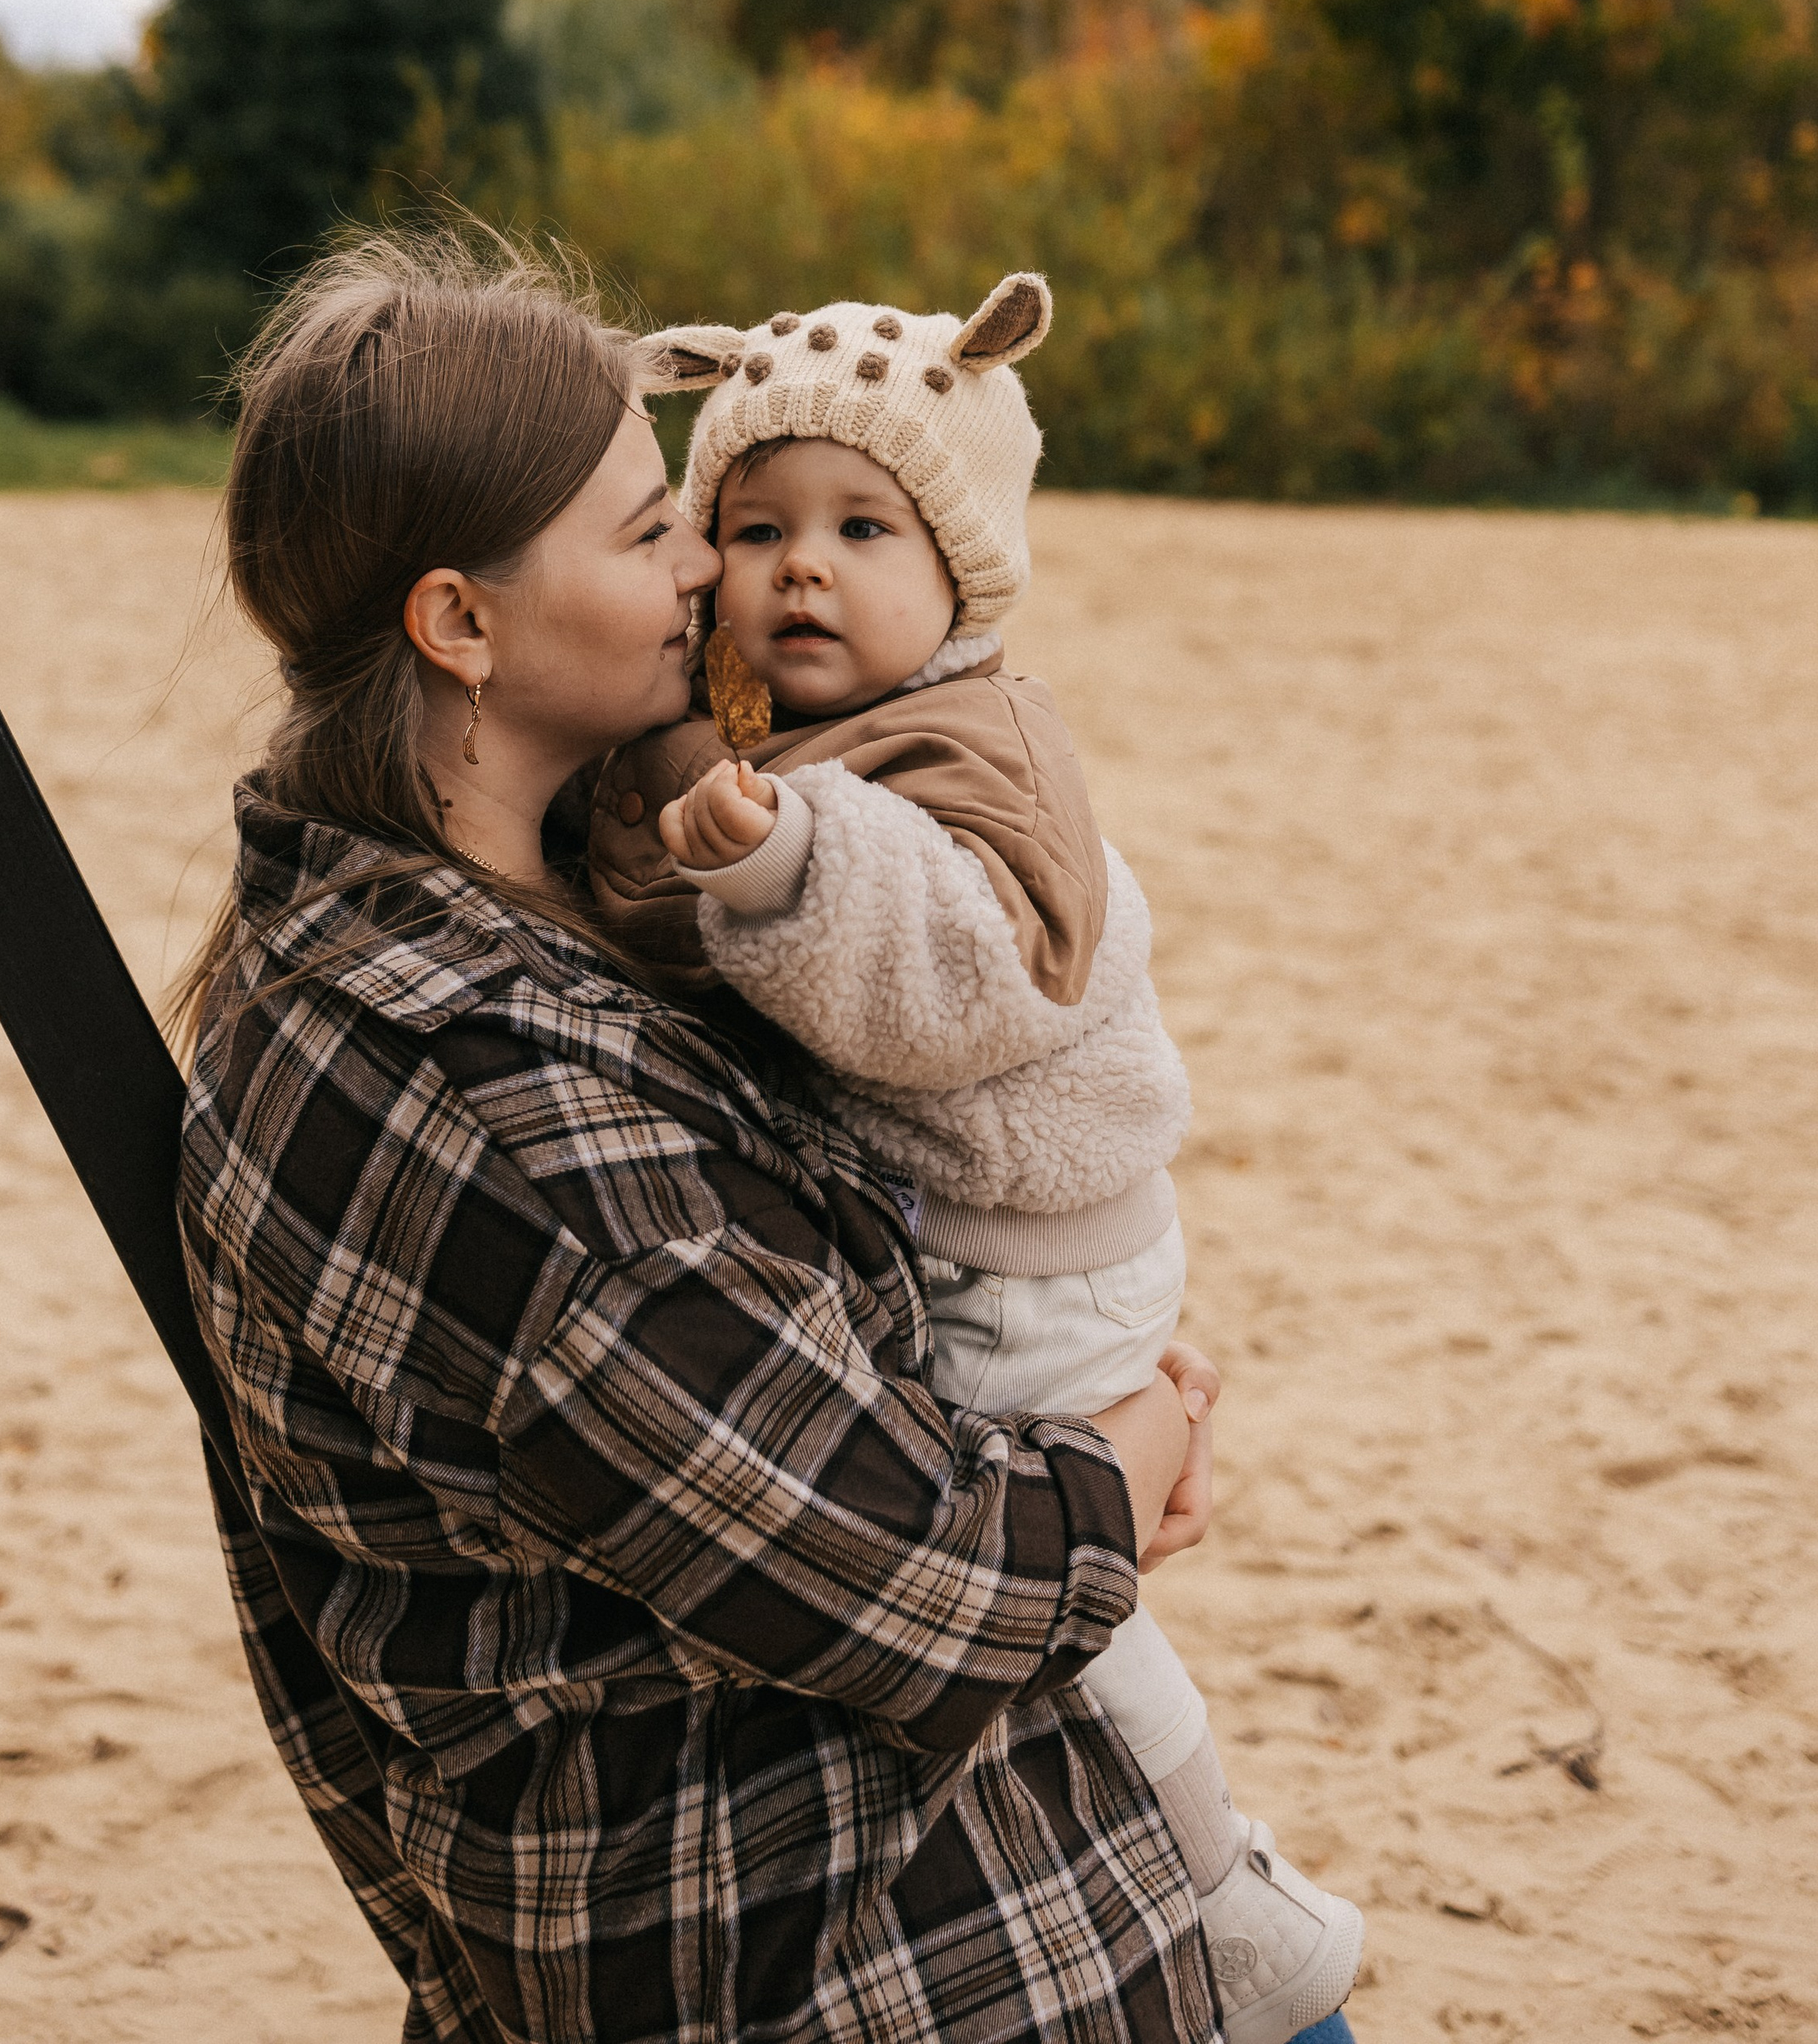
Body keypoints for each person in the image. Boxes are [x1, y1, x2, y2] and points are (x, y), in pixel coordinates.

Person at [173, 232, 1256, 2044]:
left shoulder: (447, 918)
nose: (711, 564)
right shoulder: (484, 1098)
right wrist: (1138, 1441)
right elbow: (925, 1585)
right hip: (863, 1964)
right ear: (459, 623)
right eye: (648, 528)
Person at [587, 277, 1363, 2044]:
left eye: (863, 527)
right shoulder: (779, 739)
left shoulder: (977, 747)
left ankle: (1213, 1895)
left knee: (1063, 1643)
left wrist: (793, 864)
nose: (804, 568)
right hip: (968, 1247)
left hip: (1030, 1264)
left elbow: (968, 970)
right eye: (756, 526)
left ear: (960, 569)